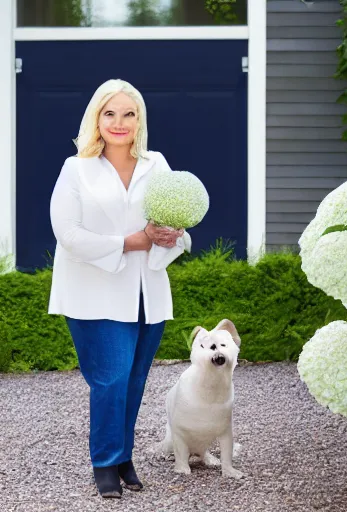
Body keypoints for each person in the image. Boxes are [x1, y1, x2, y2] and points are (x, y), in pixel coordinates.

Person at [48, 79, 191, 499]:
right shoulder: (76, 168)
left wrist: (173, 236)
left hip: (147, 292)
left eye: (129, 114)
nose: (119, 122)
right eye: (110, 113)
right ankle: (105, 463)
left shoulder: (157, 164)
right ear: (96, 118)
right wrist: (132, 241)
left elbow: (180, 231)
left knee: (133, 380)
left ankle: (123, 456)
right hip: (93, 293)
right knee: (110, 379)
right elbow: (67, 234)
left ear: (139, 120)